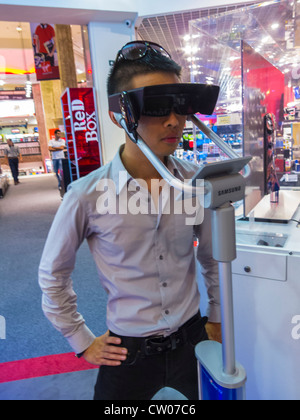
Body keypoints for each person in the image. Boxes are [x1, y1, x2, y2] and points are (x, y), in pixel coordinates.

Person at [39, 41, 221, 401]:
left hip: (192, 339)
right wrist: (81, 341)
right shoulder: (86, 194)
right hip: (127, 353)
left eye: (179, 105)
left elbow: (212, 259)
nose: (175, 120)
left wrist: (215, 316)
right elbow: (52, 276)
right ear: (119, 114)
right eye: (156, 106)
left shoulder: (195, 182)